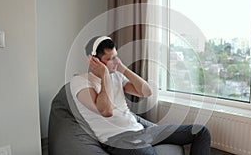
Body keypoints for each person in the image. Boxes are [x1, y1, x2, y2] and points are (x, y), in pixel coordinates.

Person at [70, 36, 211, 155]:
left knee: (200, 131)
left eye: (116, 57)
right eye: (110, 59)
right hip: (118, 139)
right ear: (94, 60)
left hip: (142, 131)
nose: (116, 62)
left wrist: (123, 69)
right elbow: (106, 111)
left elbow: (147, 92)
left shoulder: (117, 76)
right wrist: (104, 75)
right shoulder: (80, 81)